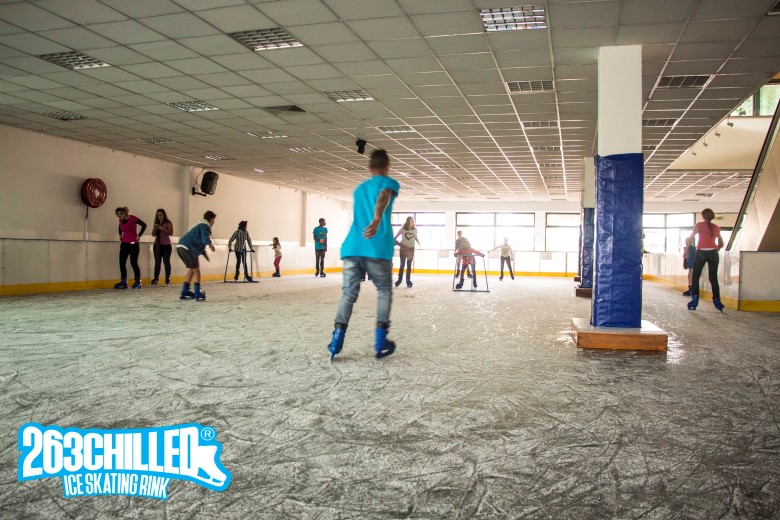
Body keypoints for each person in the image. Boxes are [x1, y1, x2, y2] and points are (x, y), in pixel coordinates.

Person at [327, 149, 399, 361]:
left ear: (369, 168)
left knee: (348, 294)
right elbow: (384, 195)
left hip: (352, 247)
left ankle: (337, 338)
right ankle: (380, 339)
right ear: (387, 167)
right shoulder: (389, 183)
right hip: (377, 247)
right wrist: (376, 220)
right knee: (384, 290)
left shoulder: (359, 189)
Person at [686, 208, 724, 312]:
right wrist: (714, 249)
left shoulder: (699, 225)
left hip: (701, 252)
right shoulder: (716, 227)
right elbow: (721, 243)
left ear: (703, 216)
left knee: (695, 277)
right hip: (713, 253)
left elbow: (691, 238)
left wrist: (686, 249)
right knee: (713, 278)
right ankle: (717, 300)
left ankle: (695, 299)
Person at [177, 211, 216, 301]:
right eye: (213, 220)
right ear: (211, 219)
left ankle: (185, 291)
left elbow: (199, 243)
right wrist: (210, 244)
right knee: (196, 270)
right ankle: (198, 292)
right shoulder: (205, 226)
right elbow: (205, 237)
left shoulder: (200, 226)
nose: (214, 222)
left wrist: (205, 254)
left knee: (192, 269)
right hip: (188, 248)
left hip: (181, 247)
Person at [114, 207, 147, 290]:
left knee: (133, 262)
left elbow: (144, 225)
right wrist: (120, 234)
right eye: (118, 216)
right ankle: (124, 281)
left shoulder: (132, 218)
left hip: (133, 244)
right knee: (122, 262)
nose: (119, 217)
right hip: (124, 244)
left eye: (120, 215)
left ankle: (138, 281)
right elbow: (120, 227)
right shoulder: (120, 220)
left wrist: (139, 236)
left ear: (125, 213)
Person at [394, 216, 421, 288]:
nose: (412, 222)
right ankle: (399, 280)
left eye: (413, 221)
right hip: (403, 249)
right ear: (407, 221)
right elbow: (395, 237)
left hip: (411, 249)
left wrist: (419, 242)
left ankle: (408, 280)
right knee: (402, 265)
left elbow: (415, 237)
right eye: (411, 221)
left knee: (409, 265)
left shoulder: (415, 229)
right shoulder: (402, 229)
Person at [151, 208, 173, 286]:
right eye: (158, 215)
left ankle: (167, 278)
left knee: (166, 261)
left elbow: (171, 233)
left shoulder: (168, 223)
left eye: (161, 215)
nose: (159, 217)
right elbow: (153, 234)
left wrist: (162, 228)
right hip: (157, 245)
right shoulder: (156, 223)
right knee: (157, 262)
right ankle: (156, 278)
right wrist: (155, 229)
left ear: (164, 215)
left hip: (166, 245)